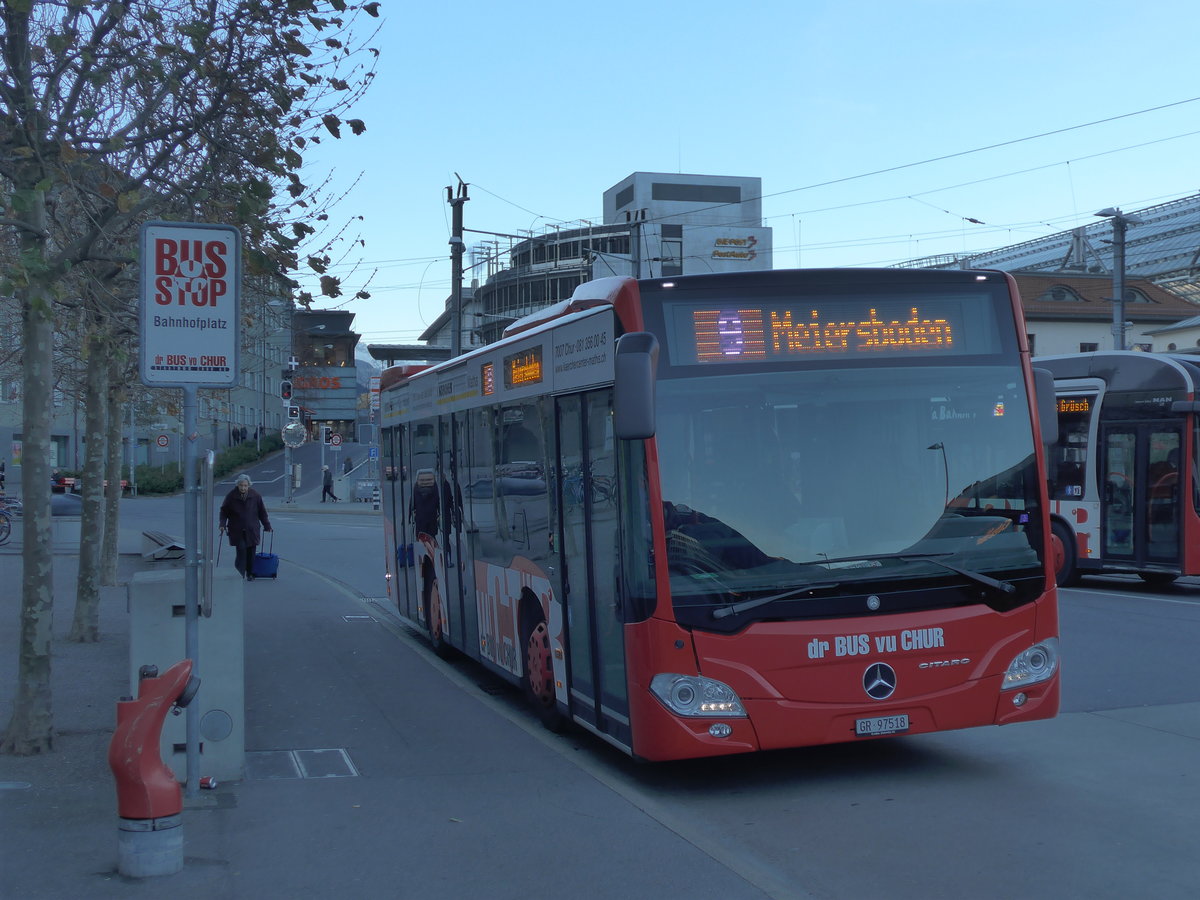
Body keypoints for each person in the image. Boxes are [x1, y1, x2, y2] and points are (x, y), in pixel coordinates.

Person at [219, 473, 272, 580]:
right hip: (237, 529)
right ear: (237, 485)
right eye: (241, 485)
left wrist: (267, 526)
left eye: (245, 485)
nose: (243, 487)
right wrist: (222, 524)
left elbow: (262, 512)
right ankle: (239, 573)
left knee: (251, 552)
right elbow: (224, 511)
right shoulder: (231, 496)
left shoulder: (255, 495)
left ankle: (250, 573)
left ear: (249, 485)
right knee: (241, 550)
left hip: (252, 529)